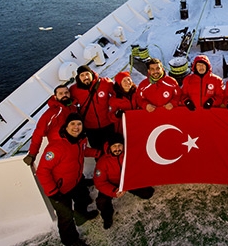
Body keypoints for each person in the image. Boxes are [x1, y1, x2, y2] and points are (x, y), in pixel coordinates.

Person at [36, 113, 101, 246]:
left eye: (79, 124)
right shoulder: (56, 147)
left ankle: (81, 216)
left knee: (83, 199)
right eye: (72, 124)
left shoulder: (80, 140)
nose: (76, 127)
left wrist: (98, 153)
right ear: (65, 127)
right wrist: (53, 192)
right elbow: (42, 171)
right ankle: (71, 242)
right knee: (66, 218)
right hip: (58, 190)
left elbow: (82, 151)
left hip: (75, 181)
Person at [93, 132, 154, 229]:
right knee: (102, 202)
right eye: (114, 146)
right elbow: (99, 182)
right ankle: (107, 217)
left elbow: (139, 167)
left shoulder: (129, 155)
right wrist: (113, 191)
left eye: (119, 145)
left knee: (148, 192)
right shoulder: (102, 162)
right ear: (109, 147)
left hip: (128, 182)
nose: (117, 149)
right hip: (111, 185)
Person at [24, 84, 78, 166]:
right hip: (60, 149)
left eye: (66, 92)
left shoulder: (73, 108)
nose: (64, 95)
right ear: (55, 97)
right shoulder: (51, 113)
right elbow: (38, 133)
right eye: (60, 94)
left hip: (75, 146)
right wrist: (32, 154)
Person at [69, 65, 115, 150]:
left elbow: (117, 95)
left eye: (87, 74)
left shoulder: (105, 83)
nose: (85, 77)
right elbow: (69, 105)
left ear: (91, 74)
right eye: (82, 75)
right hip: (91, 129)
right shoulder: (74, 90)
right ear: (78, 77)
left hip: (109, 124)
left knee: (113, 150)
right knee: (98, 153)